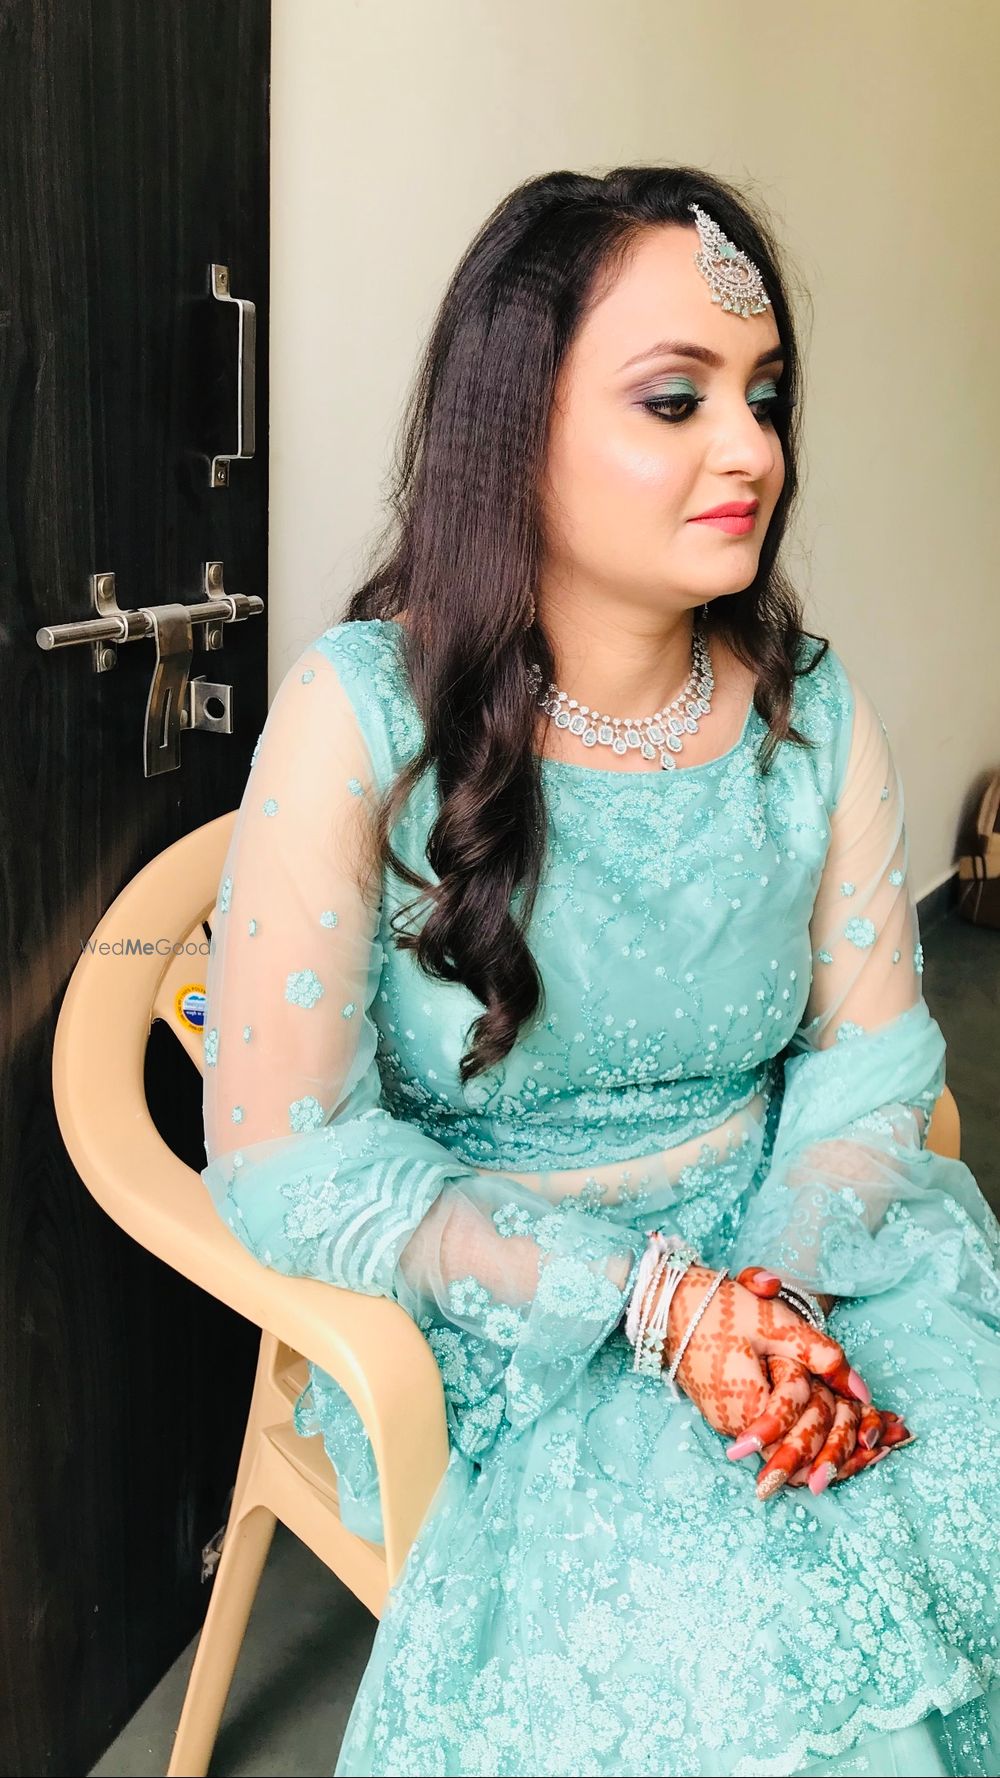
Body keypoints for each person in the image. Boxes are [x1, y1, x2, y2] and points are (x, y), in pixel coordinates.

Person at [201, 165, 1000, 1777]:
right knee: (761, 1646)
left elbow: (871, 1063)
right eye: (676, 399)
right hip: (506, 1309)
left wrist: (774, 1305)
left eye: (764, 397)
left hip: (796, 1257)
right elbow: (290, 1155)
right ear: (516, 429)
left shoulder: (811, 711)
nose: (752, 450)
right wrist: (650, 1303)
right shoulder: (362, 714)